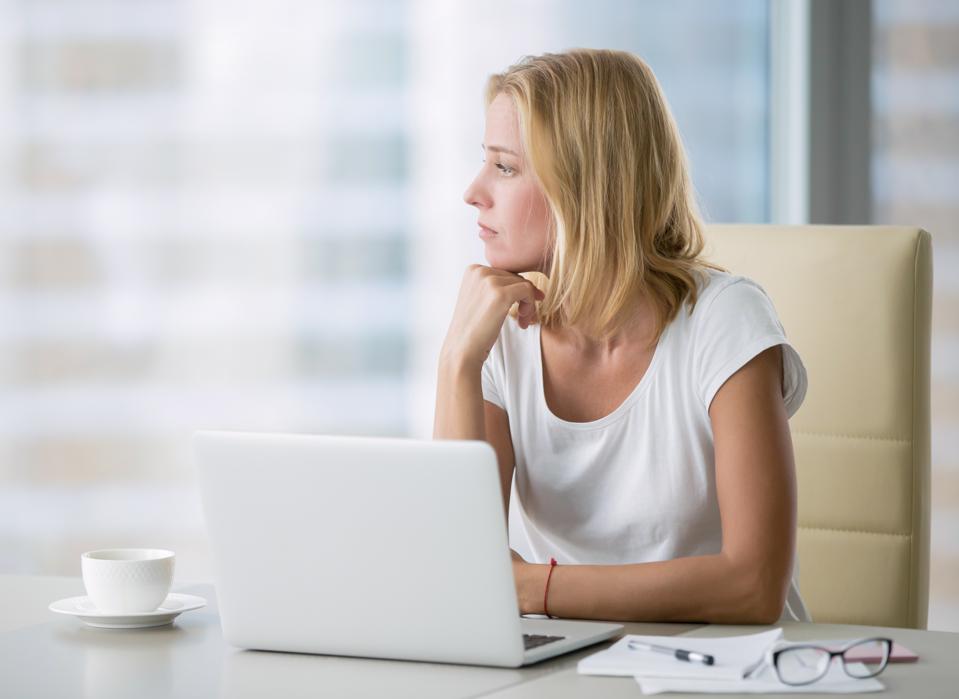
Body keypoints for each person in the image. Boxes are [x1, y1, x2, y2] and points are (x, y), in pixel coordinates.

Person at [434, 48, 810, 624]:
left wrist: (534, 588)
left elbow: (753, 586)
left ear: (584, 186)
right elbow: (458, 578)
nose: (473, 191)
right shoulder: (497, 332)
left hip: (727, 669)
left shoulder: (723, 322)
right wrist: (457, 361)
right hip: (567, 669)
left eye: (504, 168)